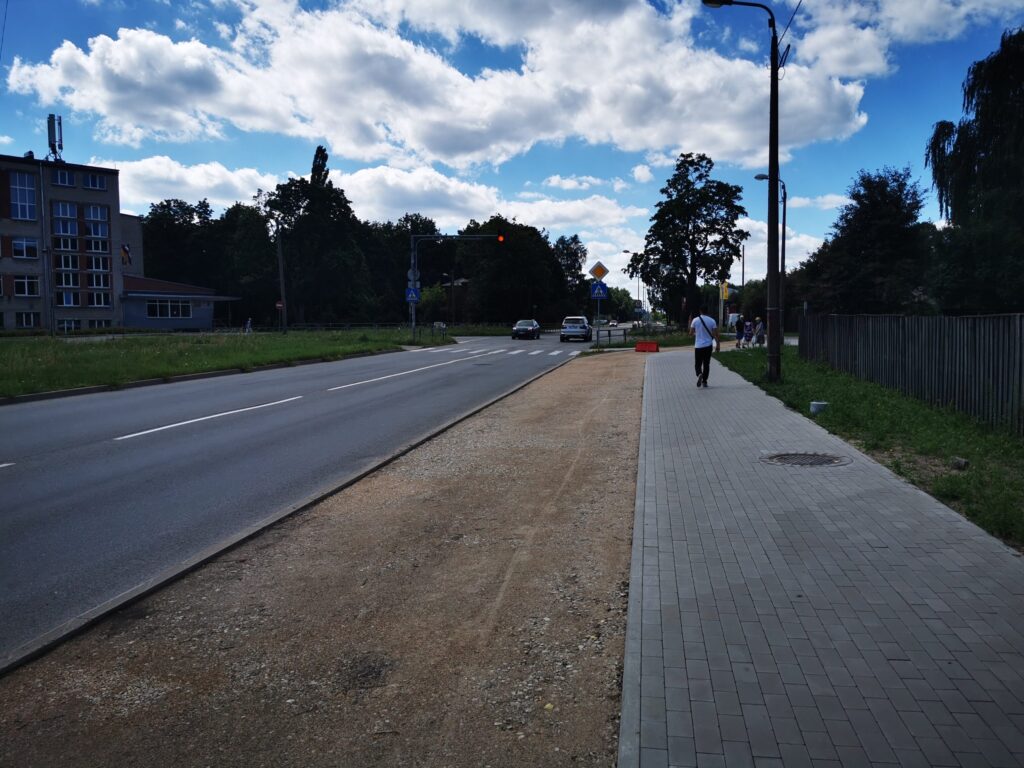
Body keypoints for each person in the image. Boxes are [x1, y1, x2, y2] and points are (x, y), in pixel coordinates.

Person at [689, 305, 720, 388]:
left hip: (698, 346)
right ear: (707, 311)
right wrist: (718, 345)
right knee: (706, 364)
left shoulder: (695, 320)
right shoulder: (712, 321)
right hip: (708, 346)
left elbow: (690, 333)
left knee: (697, 363)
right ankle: (704, 381)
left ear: (700, 311)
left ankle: (699, 374)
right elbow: (716, 334)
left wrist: (696, 333)